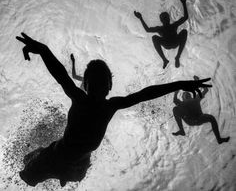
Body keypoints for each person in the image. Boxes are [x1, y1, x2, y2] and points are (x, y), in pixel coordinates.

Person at [16, 33, 211, 187]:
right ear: (86, 85)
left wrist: (179, 84)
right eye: (94, 80)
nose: (99, 83)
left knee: (51, 172)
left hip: (77, 167)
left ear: (109, 87)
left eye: (103, 81)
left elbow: (146, 93)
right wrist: (42, 50)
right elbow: (60, 73)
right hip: (55, 157)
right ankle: (41, 162)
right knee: (27, 174)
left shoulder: (108, 105)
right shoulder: (82, 98)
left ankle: (59, 173)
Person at [134, 0, 188, 69]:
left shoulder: (174, 25)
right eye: (163, 18)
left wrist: (184, 3)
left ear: (169, 19)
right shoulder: (160, 28)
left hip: (175, 41)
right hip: (167, 44)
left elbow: (185, 17)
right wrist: (141, 18)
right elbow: (147, 29)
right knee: (154, 37)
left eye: (166, 17)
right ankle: (164, 60)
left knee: (184, 31)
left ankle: (178, 56)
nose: (165, 18)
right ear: (161, 20)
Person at [172, 76, 230, 144]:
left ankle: (219, 139)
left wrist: (198, 81)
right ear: (182, 98)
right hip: (190, 120)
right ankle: (181, 130)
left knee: (211, 118)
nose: (187, 94)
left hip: (199, 118)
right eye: (185, 94)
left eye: (188, 94)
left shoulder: (196, 98)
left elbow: (205, 90)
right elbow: (175, 100)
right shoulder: (181, 103)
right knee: (175, 109)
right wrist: (176, 93)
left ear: (191, 96)